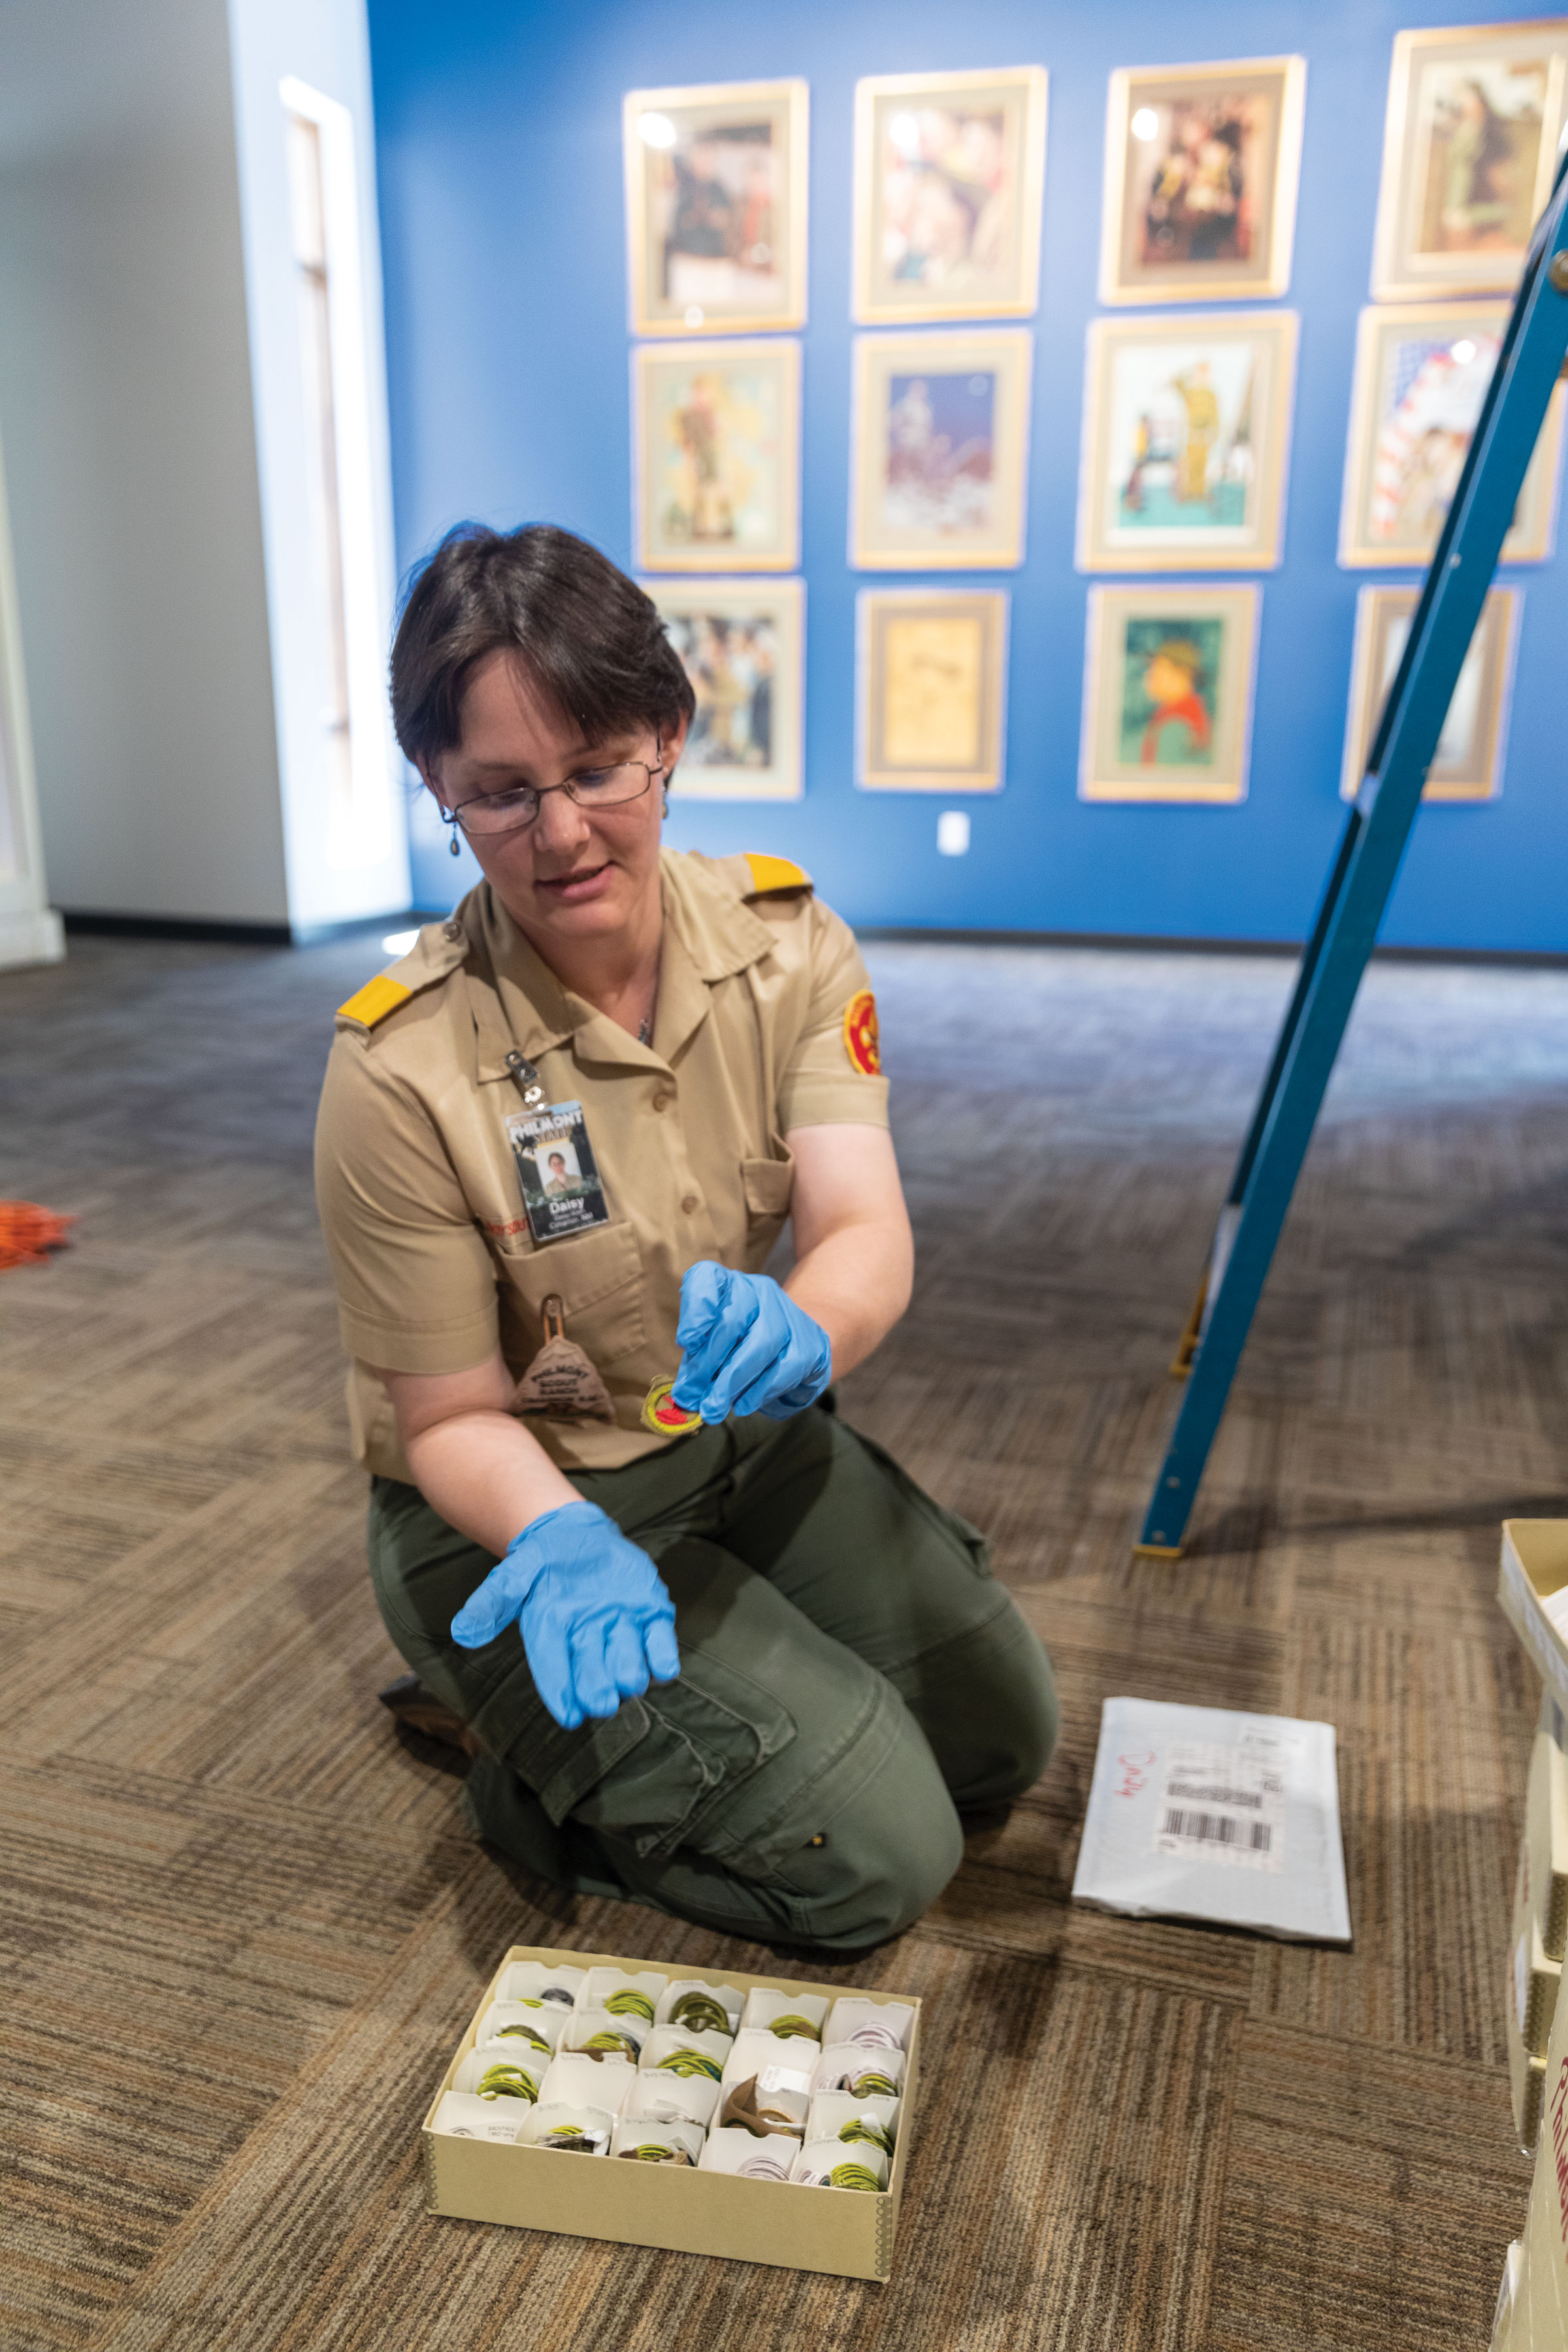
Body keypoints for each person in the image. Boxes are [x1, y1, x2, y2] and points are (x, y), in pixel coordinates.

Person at [314, 523, 1058, 1955]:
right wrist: (560, 1533)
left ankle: (686, 1702)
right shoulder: (398, 1068)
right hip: (521, 1520)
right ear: (441, 794)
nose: (567, 833)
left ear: (669, 732)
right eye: (503, 795)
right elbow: (453, 1417)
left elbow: (860, 1230)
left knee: (997, 1741)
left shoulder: (789, 945)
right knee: (880, 1861)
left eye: (599, 767)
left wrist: (815, 1327)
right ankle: (526, 1774)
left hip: (737, 1448)